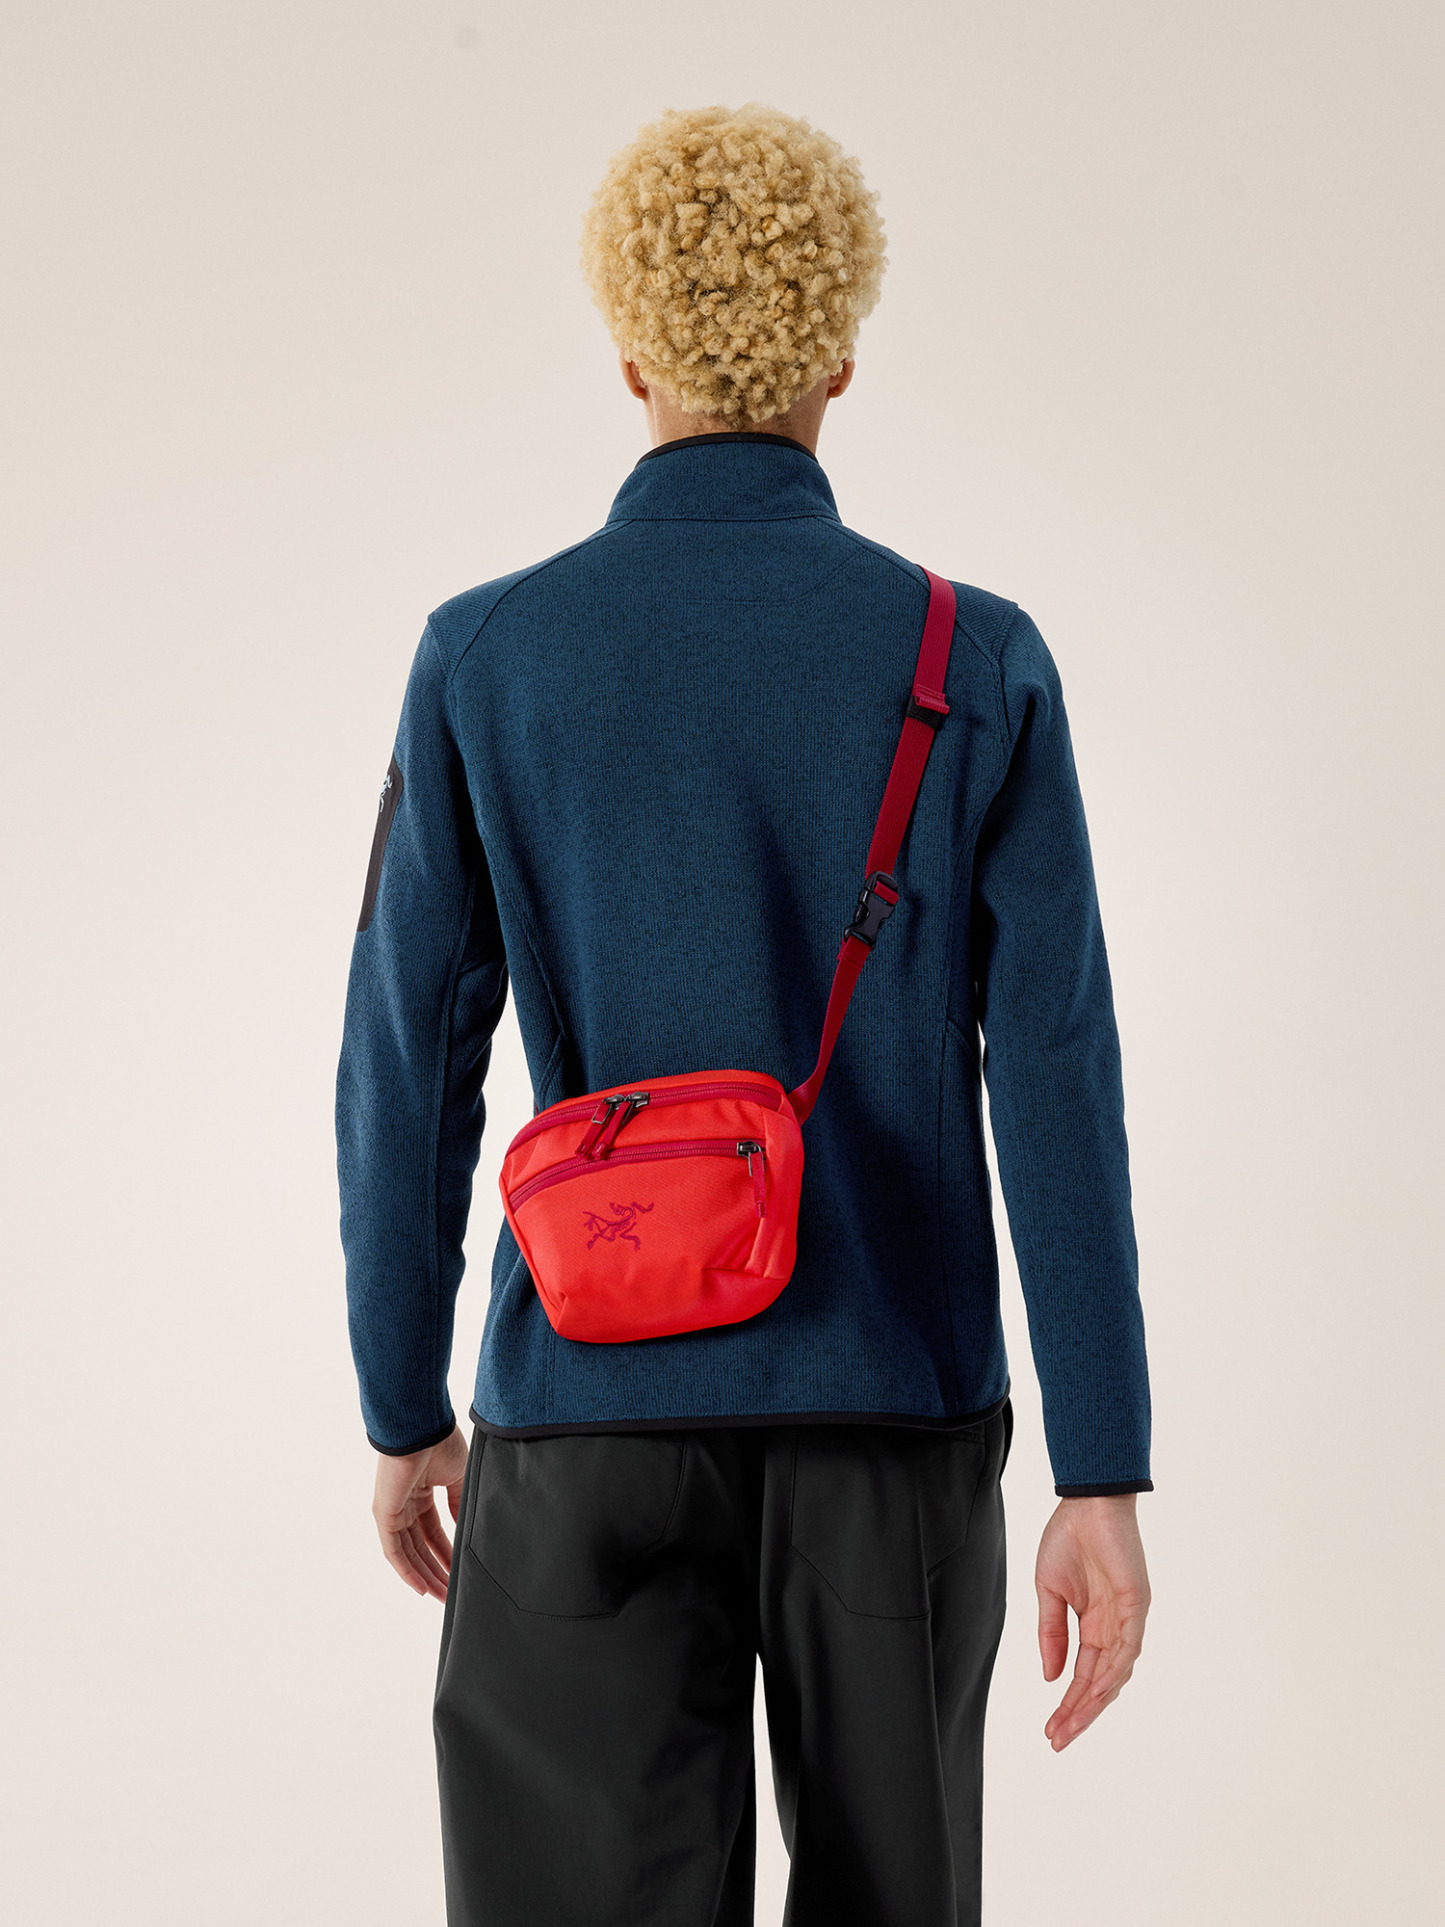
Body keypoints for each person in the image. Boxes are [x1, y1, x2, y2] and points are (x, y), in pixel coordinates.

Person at [336, 101, 1153, 1927]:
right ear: (839, 356)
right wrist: (1099, 1465)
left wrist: (401, 1401)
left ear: (628, 357)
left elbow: (406, 1056)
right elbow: (1055, 1072)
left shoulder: (486, 652)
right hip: (891, 1410)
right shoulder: (973, 651)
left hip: (584, 1400)